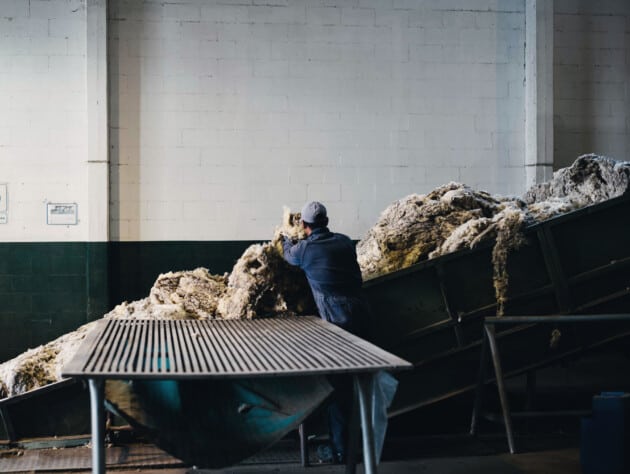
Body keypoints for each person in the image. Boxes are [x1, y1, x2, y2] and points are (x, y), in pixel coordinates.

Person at [281, 201, 370, 464]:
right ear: (327, 221)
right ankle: (366, 443)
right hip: (363, 315)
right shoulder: (344, 242)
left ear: (304, 226)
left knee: (338, 387)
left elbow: (288, 255)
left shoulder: (306, 249)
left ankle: (342, 451)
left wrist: (286, 238)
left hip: (339, 323)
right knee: (362, 384)